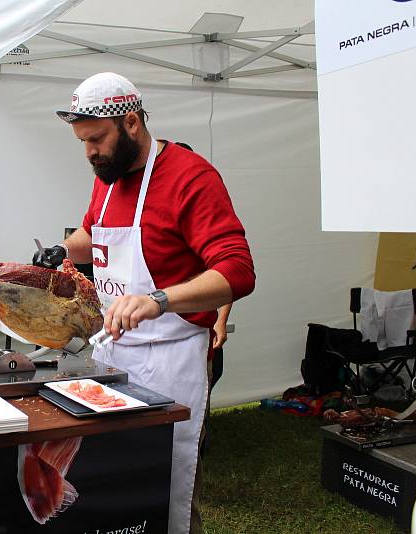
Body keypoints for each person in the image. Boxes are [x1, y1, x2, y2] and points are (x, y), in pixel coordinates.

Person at [36, 72, 255, 534]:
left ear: (131, 122)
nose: (89, 152)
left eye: (96, 139)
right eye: (82, 141)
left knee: (166, 487)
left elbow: (237, 270)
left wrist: (159, 300)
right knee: (116, 484)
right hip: (111, 356)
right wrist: (62, 252)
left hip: (170, 359)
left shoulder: (192, 178)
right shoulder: (108, 178)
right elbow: (93, 232)